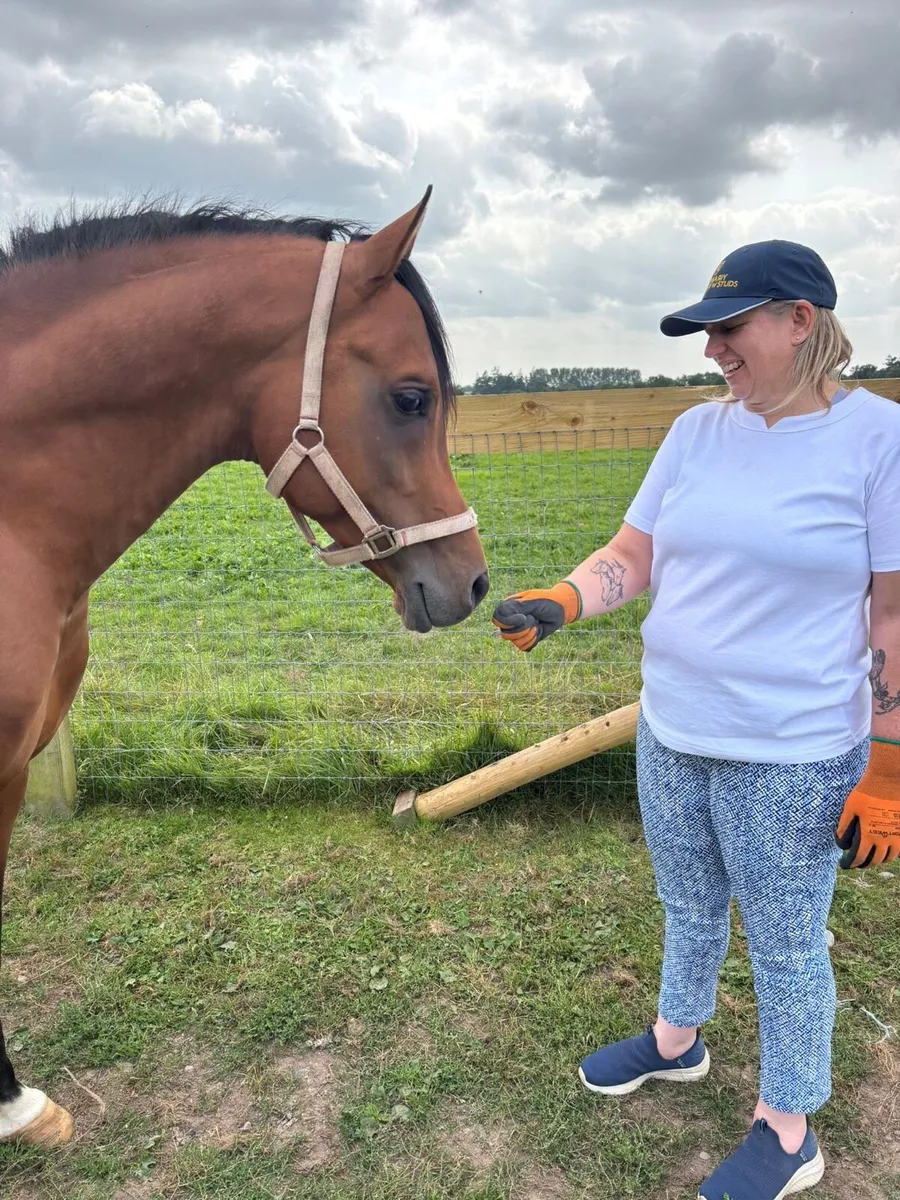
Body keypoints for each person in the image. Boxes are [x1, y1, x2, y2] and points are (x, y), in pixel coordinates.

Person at [492, 240, 900, 1200]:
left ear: (802, 321)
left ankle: (789, 1127)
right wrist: (564, 598)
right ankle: (677, 1041)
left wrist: (887, 764)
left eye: (731, 327)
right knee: (687, 900)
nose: (713, 348)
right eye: (705, 331)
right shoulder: (695, 432)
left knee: (788, 936)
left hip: (792, 751)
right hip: (672, 726)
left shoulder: (879, 440)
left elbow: (892, 612)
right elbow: (636, 552)